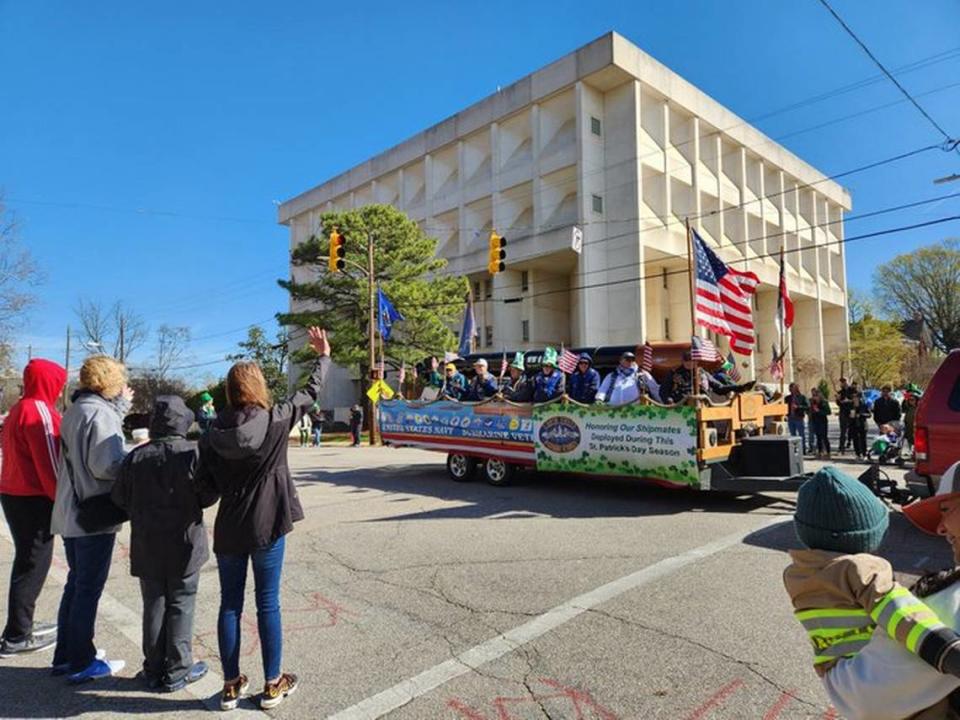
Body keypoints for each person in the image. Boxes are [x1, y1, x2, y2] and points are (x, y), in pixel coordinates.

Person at [196, 326, 329, 710]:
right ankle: (273, 684)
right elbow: (310, 392)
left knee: (229, 604)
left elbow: (204, 487)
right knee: (267, 602)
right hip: (268, 523)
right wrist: (323, 355)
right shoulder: (275, 418)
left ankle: (230, 685)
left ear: (228, 391)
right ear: (257, 386)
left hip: (229, 526)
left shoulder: (211, 432)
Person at [783, 467, 960, 711]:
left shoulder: (797, 573)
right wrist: (948, 651)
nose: (940, 529)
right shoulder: (861, 570)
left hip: (831, 669)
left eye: (945, 509)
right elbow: (902, 613)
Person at [110, 396, 210, 692]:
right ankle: (178, 669)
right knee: (181, 603)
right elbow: (207, 494)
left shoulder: (136, 457)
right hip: (185, 542)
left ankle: (153, 668)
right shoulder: (193, 453)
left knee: (154, 603)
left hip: (147, 541)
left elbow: (119, 497)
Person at [51, 355, 132, 682]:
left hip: (71, 511)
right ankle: (82, 659)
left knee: (76, 585)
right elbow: (106, 465)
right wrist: (135, 457)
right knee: (87, 588)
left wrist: (120, 410)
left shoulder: (76, 410)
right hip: (92, 514)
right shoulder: (99, 414)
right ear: (109, 383)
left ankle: (66, 655)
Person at [0, 359, 67, 657]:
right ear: (50, 382)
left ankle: (20, 623)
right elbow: (48, 464)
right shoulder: (37, 411)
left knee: (27, 561)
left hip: (15, 493)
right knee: (33, 564)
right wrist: (63, 501)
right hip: (33, 497)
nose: (62, 388)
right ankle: (17, 635)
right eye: (60, 382)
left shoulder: (19, 408)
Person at [785, 383, 809, 454]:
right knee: (792, 436)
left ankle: (803, 450)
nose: (791, 389)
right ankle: (794, 451)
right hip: (790, 419)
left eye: (794, 388)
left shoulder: (802, 397)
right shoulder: (787, 398)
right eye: (791, 388)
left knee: (801, 435)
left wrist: (798, 407)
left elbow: (807, 406)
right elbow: (784, 407)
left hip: (799, 418)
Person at [808, 387, 832, 459]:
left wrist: (819, 411)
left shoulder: (824, 402)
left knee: (824, 437)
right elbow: (810, 411)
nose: (815, 398)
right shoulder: (813, 402)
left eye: (816, 396)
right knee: (818, 437)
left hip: (823, 421)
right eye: (814, 396)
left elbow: (828, 412)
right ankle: (820, 452)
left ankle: (828, 452)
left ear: (820, 396)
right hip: (815, 421)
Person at [850, 385, 870, 461]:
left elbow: (869, 414)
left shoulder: (863, 405)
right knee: (855, 440)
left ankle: (864, 454)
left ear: (859, 398)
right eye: (853, 397)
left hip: (862, 425)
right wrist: (850, 416)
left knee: (863, 440)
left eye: (856, 397)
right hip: (854, 424)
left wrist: (861, 415)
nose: (854, 398)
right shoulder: (851, 405)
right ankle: (858, 454)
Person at [835, 378, 854, 454]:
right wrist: (838, 400)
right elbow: (839, 403)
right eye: (842, 382)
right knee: (843, 431)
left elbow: (857, 400)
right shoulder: (840, 392)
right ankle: (841, 448)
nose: (843, 383)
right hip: (843, 412)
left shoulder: (852, 391)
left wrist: (849, 400)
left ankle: (855, 446)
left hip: (851, 412)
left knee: (853, 430)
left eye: (844, 381)